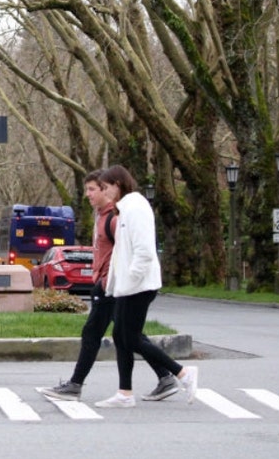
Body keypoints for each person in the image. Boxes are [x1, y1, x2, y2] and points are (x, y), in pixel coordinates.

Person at [39, 170, 180, 402]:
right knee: (128, 336)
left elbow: (131, 250)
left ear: (109, 189)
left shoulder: (115, 219)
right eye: (89, 190)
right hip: (109, 284)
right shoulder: (103, 216)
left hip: (113, 286)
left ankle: (76, 385)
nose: (89, 195)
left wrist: (118, 280)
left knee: (95, 333)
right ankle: (164, 377)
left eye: (94, 189)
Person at [94, 164, 198, 409]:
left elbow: (144, 252)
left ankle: (182, 373)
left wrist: (129, 281)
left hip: (138, 286)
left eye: (106, 187)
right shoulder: (125, 209)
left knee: (131, 338)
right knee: (121, 337)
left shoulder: (136, 208)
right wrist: (115, 284)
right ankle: (125, 392)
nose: (104, 192)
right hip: (128, 286)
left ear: (118, 185)